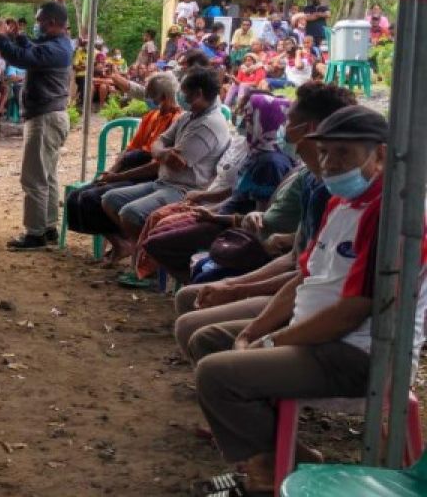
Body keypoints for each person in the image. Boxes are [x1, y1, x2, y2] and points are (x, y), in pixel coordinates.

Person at [190, 106, 427, 497]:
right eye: (326, 153)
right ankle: (276, 459)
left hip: (359, 354)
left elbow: (352, 312)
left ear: (381, 155)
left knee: (217, 375)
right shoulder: (340, 203)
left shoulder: (393, 212)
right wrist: (254, 331)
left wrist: (276, 341)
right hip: (316, 337)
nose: (330, 164)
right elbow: (304, 278)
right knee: (208, 339)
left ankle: (277, 472)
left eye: (344, 154)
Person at [171, 83, 354, 359]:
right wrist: (234, 287)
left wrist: (237, 289)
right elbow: (298, 259)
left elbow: (308, 277)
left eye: (289, 119)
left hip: (310, 305)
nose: (283, 126)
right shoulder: (311, 181)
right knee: (192, 304)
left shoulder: (336, 192)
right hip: (295, 289)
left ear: (310, 128)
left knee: (199, 332)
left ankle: (237, 381)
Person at [140, 92, 295, 285]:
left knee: (157, 243)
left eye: (248, 117)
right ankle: (192, 285)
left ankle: (195, 286)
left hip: (231, 226)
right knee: (159, 228)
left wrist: (214, 216)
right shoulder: (257, 151)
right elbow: (238, 191)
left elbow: (257, 218)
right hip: (220, 214)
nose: (242, 120)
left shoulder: (270, 162)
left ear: (260, 121)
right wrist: (208, 205)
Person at [100, 67, 231, 264]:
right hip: (163, 181)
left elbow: (176, 163)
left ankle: (148, 259)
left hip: (186, 190)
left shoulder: (209, 125)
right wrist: (162, 152)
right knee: (109, 198)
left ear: (199, 94)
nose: (181, 98)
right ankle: (141, 249)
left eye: (185, 94)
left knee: (131, 213)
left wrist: (161, 152)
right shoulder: (190, 115)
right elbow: (159, 143)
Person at [64, 73, 182, 244]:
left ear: (163, 97)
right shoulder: (151, 116)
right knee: (75, 197)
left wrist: (119, 177)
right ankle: (118, 243)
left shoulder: (176, 121)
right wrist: (111, 172)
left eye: (150, 96)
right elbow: (130, 149)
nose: (147, 99)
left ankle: (125, 243)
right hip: (128, 170)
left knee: (92, 198)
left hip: (146, 176)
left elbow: (156, 165)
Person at [0, 2, 73, 251]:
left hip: (44, 119)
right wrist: (18, 37)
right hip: (50, 117)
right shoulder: (57, 45)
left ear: (51, 22)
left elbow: (22, 57)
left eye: (39, 21)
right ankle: (48, 227)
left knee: (33, 177)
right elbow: (30, 48)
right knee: (47, 176)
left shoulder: (56, 49)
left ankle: (35, 233)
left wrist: (2, 38)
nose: (36, 25)